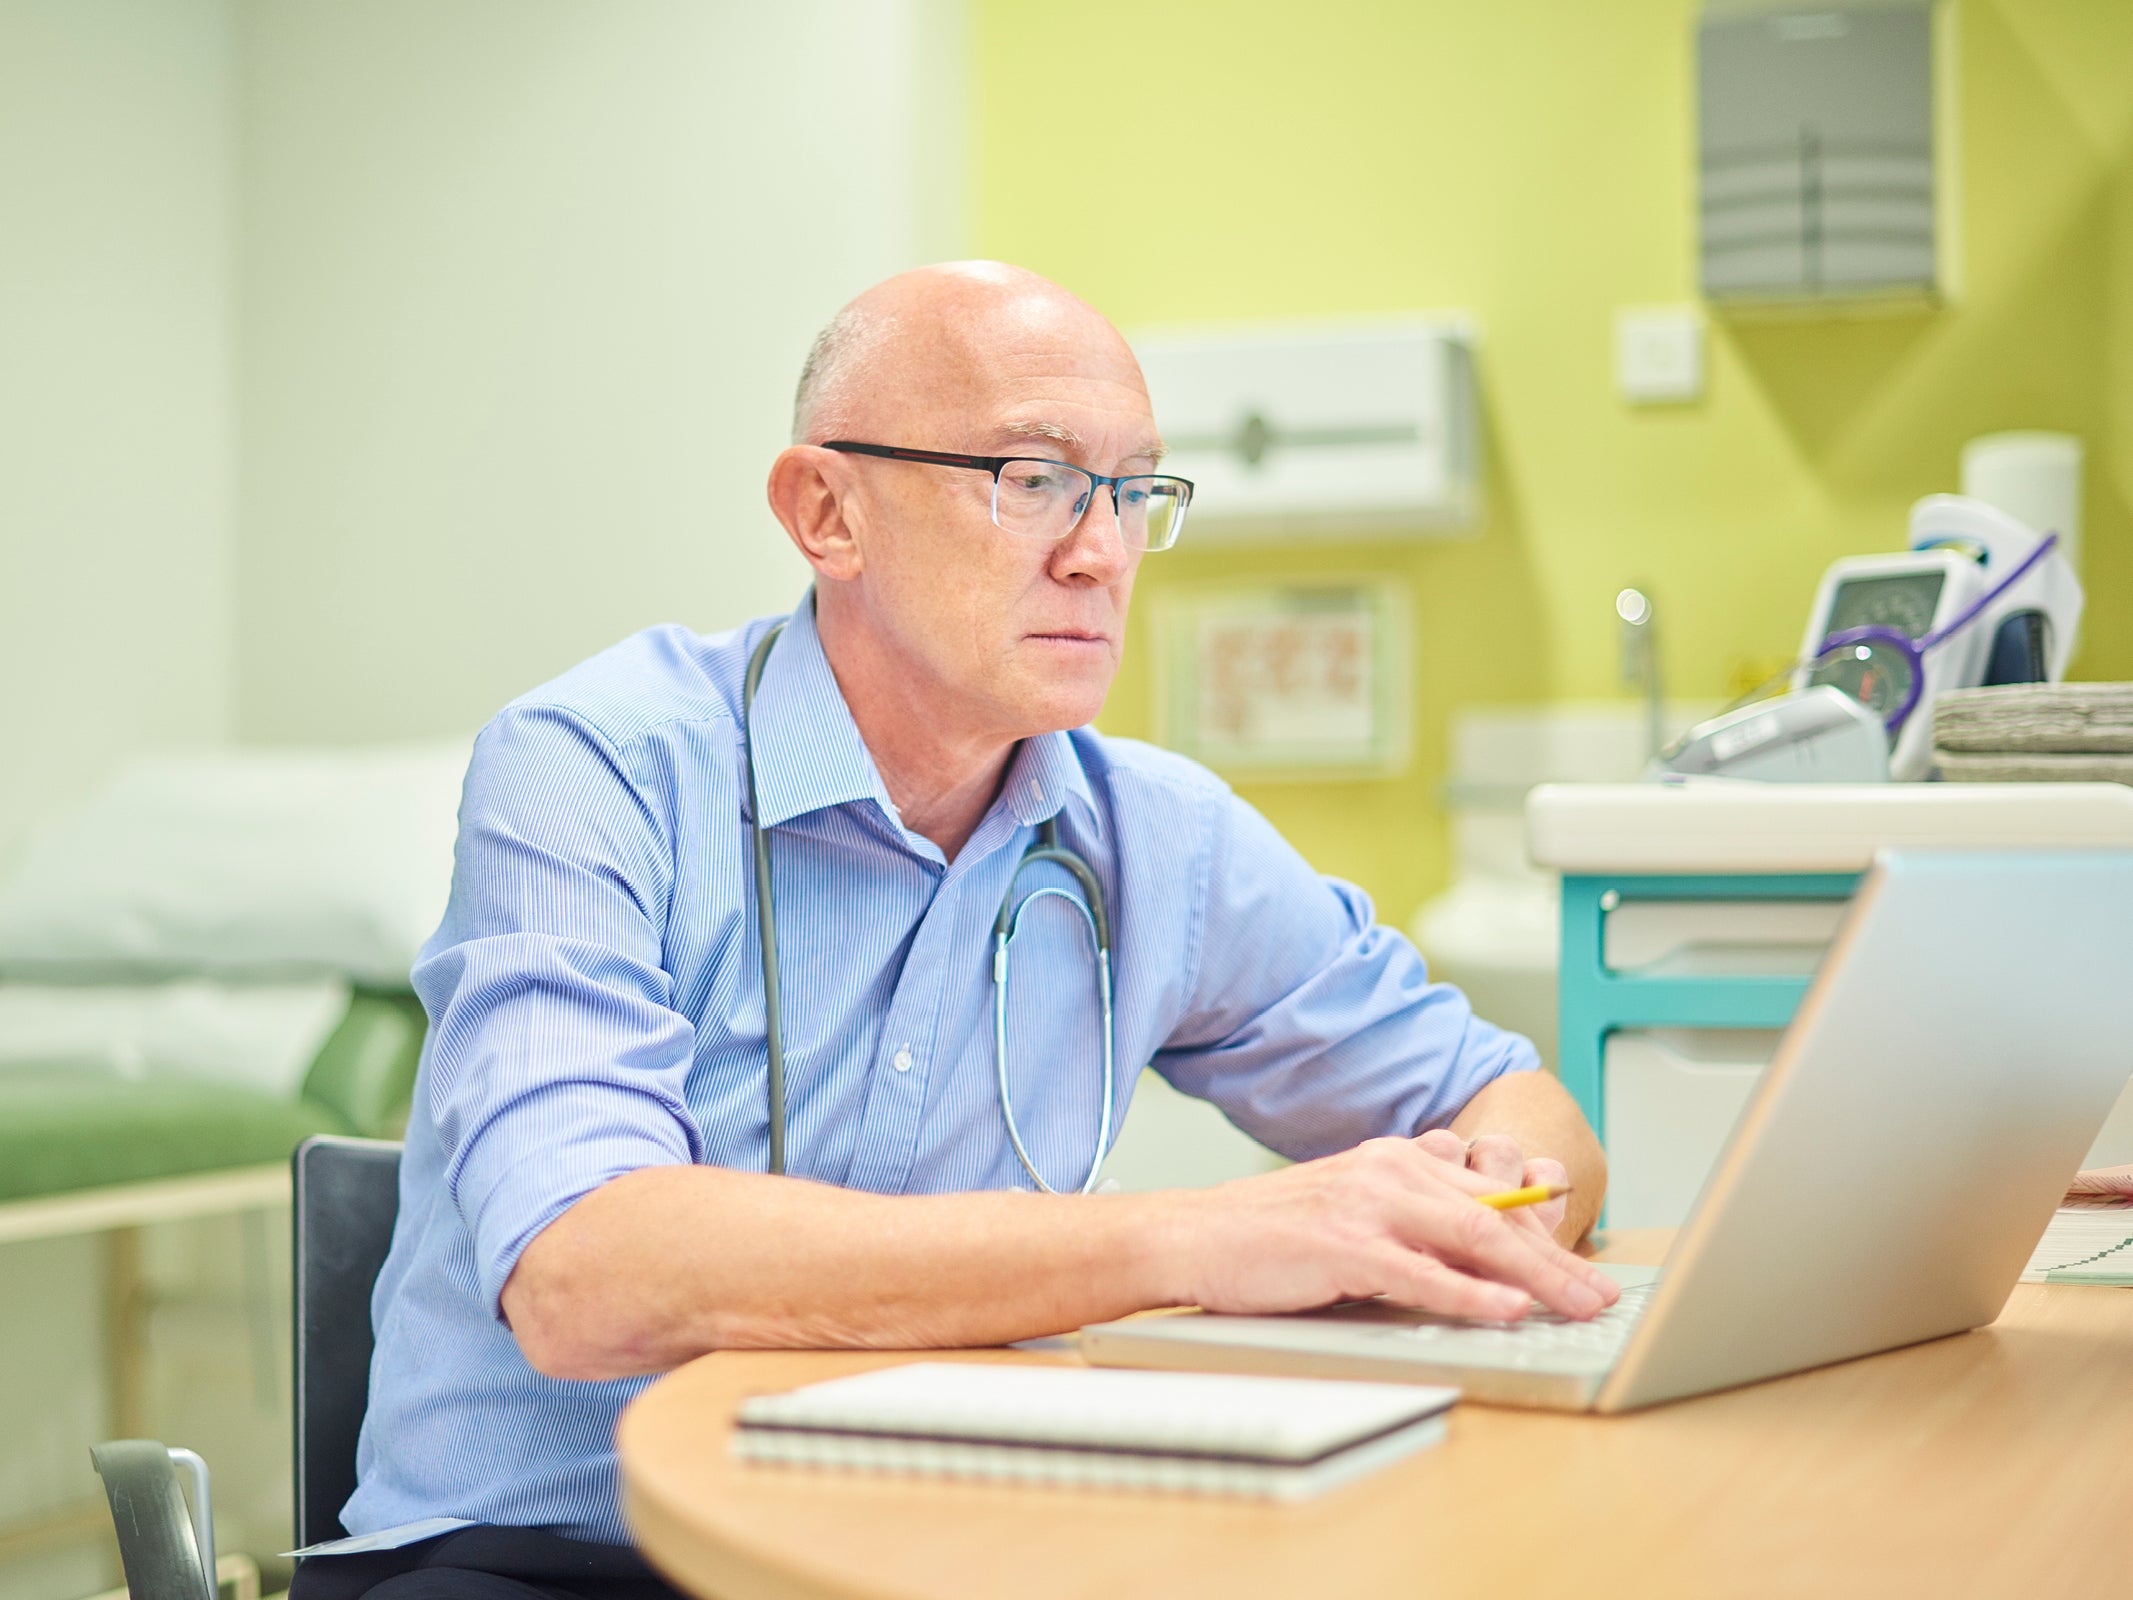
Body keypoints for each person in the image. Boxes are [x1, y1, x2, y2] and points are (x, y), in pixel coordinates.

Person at [310, 262, 1615, 1599]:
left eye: (1132, 491)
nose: (1099, 550)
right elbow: (587, 1277)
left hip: (949, 1546)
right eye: (1031, 479)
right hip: (550, 1561)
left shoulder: (1155, 836)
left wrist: (1483, 1220)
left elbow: (1507, 1100)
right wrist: (1194, 1241)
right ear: (826, 511)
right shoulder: (597, 770)